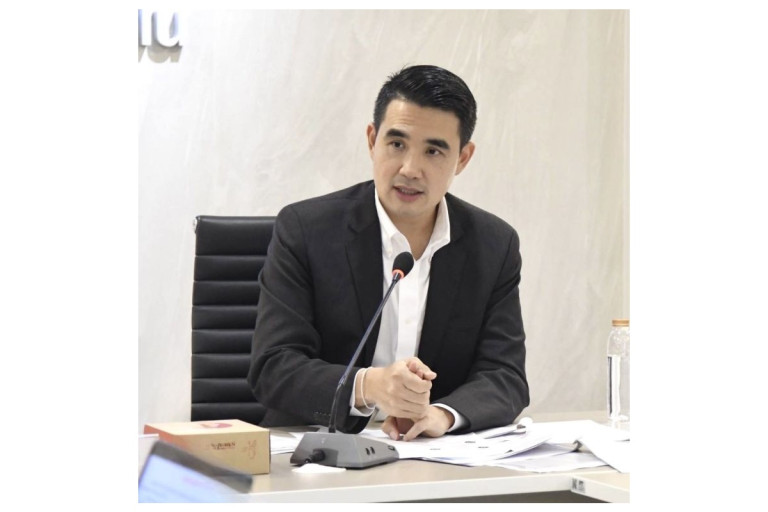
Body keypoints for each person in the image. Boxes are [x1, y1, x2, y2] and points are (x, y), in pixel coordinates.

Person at [247, 64, 528, 441]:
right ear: (372, 140)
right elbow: (273, 368)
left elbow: (505, 376)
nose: (410, 169)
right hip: (318, 453)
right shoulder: (306, 230)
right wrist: (369, 386)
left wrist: (442, 415)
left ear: (463, 158)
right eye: (397, 145)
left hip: (430, 457)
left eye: (433, 151)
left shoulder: (493, 245)